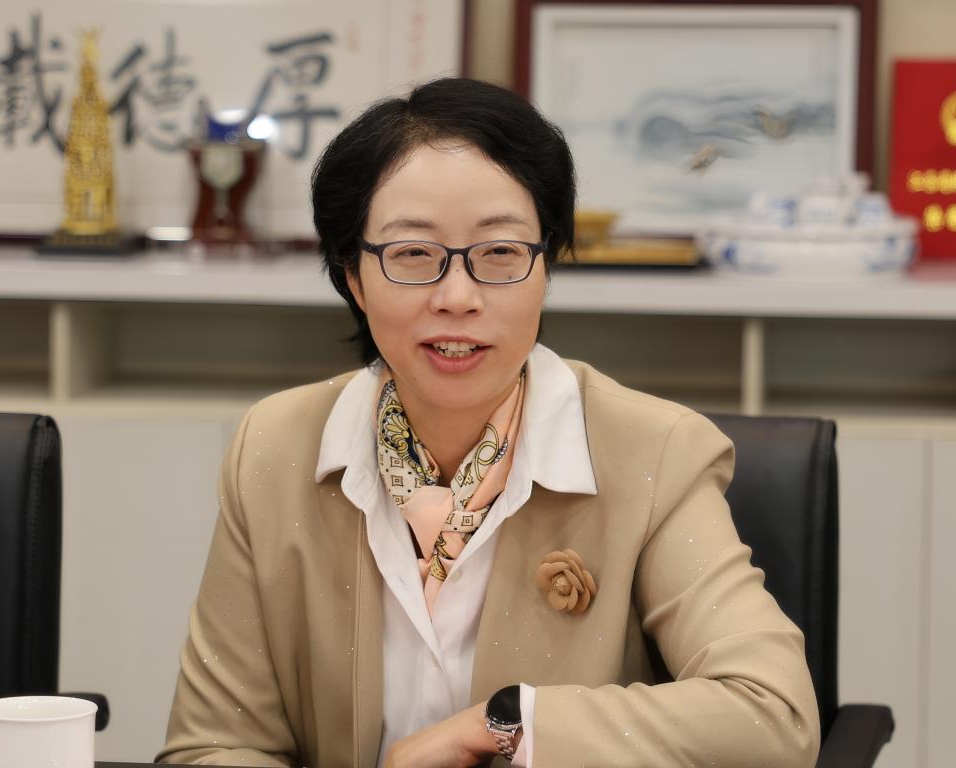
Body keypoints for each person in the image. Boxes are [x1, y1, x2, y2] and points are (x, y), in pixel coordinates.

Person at [158, 77, 819, 768]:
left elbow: (772, 717)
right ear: (353, 276)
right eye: (413, 254)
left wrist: (503, 724)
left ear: (546, 267)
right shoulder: (273, 448)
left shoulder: (653, 453)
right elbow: (215, 745)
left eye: (500, 253)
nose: (458, 296)